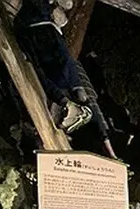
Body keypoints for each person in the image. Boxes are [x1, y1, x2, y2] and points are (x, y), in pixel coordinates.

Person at [14, 0, 91, 133]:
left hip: (37, 30)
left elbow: (63, 60)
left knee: (48, 68)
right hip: (34, 30)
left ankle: (71, 105)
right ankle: (70, 105)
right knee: (47, 70)